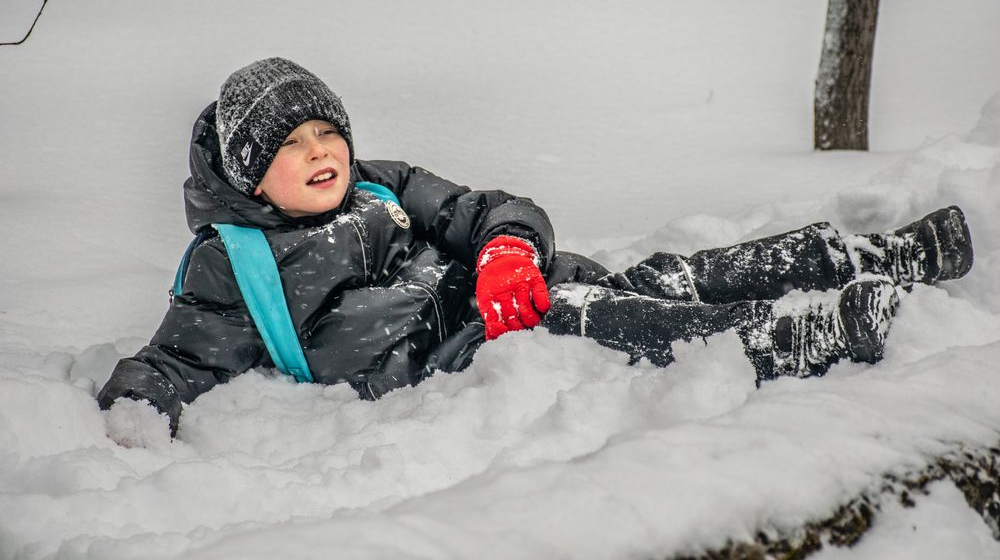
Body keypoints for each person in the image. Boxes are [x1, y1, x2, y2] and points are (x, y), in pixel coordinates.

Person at [97, 58, 975, 439]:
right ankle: (798, 334)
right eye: (293, 143)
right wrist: (132, 413)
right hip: (458, 350)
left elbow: (491, 207)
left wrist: (510, 246)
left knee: (661, 276)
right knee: (623, 315)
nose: (323, 151)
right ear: (252, 173)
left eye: (329, 130)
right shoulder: (233, 262)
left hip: (515, 293)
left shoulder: (377, 181)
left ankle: (866, 255)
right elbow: (172, 359)